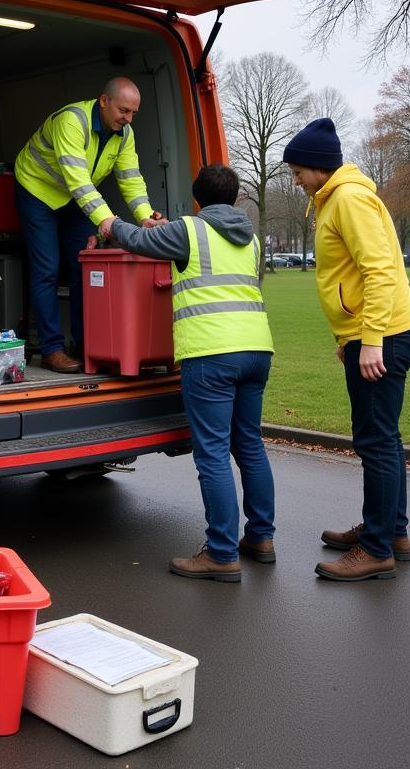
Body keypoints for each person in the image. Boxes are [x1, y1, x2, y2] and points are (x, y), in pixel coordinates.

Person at [99, 163, 275, 583]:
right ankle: (261, 538)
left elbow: (140, 240)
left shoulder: (190, 230)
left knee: (212, 452)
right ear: (234, 199)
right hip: (257, 349)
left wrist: (110, 224)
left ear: (197, 198)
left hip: (211, 352)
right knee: (249, 445)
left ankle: (220, 554)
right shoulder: (250, 238)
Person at [284, 118, 410, 582]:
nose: (295, 179)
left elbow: (380, 270)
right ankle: (390, 532)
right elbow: (347, 277)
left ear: (319, 167)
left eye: (298, 170)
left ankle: (377, 548)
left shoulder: (349, 198)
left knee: (375, 441)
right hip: (370, 333)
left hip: (384, 334)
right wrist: (349, 339)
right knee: (385, 437)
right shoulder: (333, 198)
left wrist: (372, 340)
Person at [14, 77, 165, 373]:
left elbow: (130, 177)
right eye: (124, 110)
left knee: (87, 267)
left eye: (134, 113)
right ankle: (52, 349)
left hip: (75, 200)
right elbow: (79, 181)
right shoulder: (72, 121)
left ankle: (88, 346)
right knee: (47, 269)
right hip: (37, 191)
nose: (129, 119)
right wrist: (107, 222)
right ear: (104, 101)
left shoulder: (125, 133)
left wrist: (145, 215)